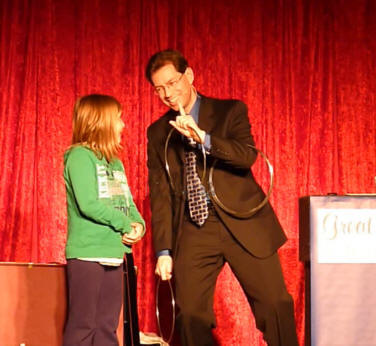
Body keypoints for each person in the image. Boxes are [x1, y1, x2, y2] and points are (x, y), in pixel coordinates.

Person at [145, 50, 298, 346]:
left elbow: (247, 156)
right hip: (194, 227)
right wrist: (164, 250)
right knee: (189, 314)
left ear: (189, 76)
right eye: (159, 88)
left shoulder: (230, 111)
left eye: (173, 82)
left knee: (276, 305)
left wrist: (203, 138)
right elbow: (160, 193)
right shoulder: (158, 132)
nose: (167, 93)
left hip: (242, 221)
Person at [63, 94, 145, 346]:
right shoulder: (79, 157)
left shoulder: (115, 163)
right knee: (83, 325)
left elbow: (128, 204)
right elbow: (88, 204)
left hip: (114, 253)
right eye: (118, 119)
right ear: (101, 122)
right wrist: (123, 224)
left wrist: (138, 226)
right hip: (87, 255)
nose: (122, 125)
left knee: (107, 327)